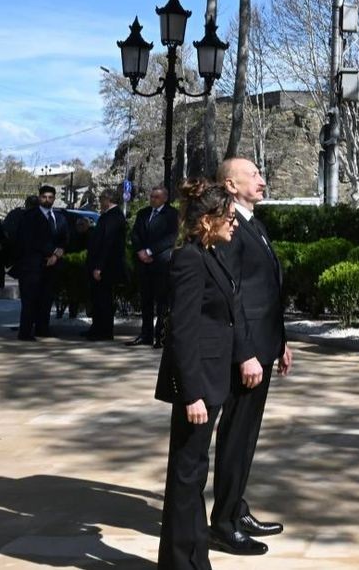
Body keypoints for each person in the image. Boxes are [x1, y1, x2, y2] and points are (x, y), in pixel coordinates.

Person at [155, 179, 239, 570]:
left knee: (193, 474)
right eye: (228, 217)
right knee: (186, 477)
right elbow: (183, 329)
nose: (233, 223)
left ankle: (193, 559)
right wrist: (191, 394)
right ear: (208, 220)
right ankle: (180, 562)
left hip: (212, 382)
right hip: (198, 386)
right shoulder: (189, 258)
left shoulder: (210, 254)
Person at [210, 158, 288, 555]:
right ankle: (222, 524)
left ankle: (236, 508)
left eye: (261, 172)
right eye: (254, 174)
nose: (262, 179)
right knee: (235, 434)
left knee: (247, 436)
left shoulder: (253, 223)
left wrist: (282, 341)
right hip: (246, 353)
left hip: (264, 345)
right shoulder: (230, 228)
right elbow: (232, 296)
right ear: (230, 184)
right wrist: (245, 353)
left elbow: (268, 288)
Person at [12, 186, 67, 340]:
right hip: (32, 266)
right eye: (44, 197)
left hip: (51, 266)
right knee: (30, 301)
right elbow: (33, 240)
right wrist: (53, 252)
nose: (47, 200)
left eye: (50, 197)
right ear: (39, 197)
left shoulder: (59, 217)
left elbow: (64, 237)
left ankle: (42, 328)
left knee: (46, 299)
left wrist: (58, 253)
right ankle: (25, 332)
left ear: (54, 198)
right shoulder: (30, 217)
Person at [128, 186, 179, 347]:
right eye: (151, 196)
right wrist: (140, 251)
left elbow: (172, 237)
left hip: (161, 263)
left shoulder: (172, 214)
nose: (152, 199)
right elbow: (135, 233)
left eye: (156, 197)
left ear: (165, 198)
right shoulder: (143, 213)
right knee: (146, 301)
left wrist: (150, 251)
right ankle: (146, 334)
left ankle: (160, 336)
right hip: (143, 263)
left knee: (162, 301)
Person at [84, 188, 127, 340]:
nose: (100, 202)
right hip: (103, 266)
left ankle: (103, 331)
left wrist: (99, 267)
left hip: (105, 267)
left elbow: (107, 244)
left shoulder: (113, 217)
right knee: (98, 299)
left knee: (103, 300)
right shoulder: (109, 216)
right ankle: (97, 328)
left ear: (108, 200)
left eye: (102, 198)